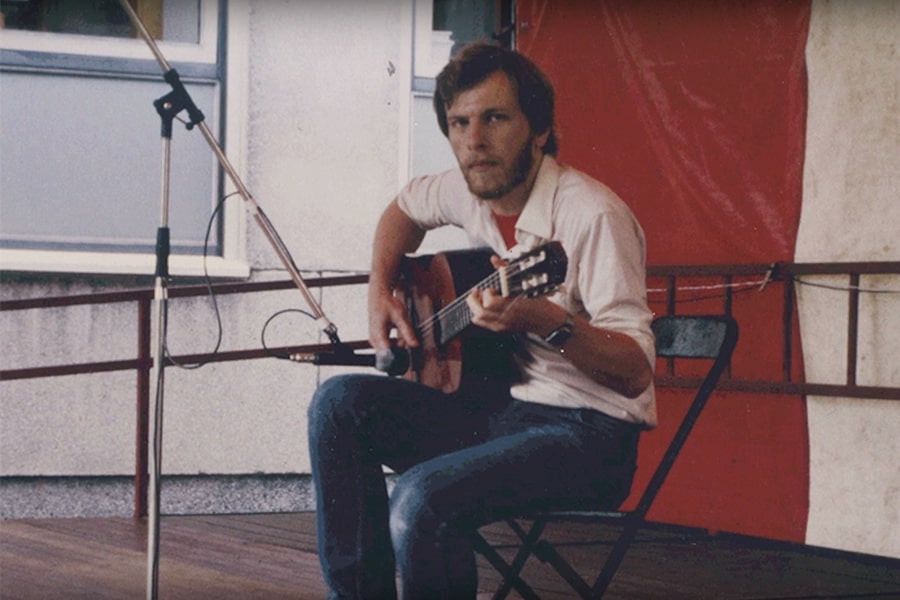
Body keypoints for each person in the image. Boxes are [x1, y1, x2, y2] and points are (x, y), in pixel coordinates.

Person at [307, 41, 656, 599]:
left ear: (538, 130)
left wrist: (547, 322)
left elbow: (636, 372)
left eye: (495, 117)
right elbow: (401, 211)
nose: (474, 140)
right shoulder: (473, 185)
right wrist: (380, 292)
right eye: (459, 122)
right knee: (338, 405)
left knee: (421, 499)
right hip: (502, 413)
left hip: (589, 433)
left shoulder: (593, 216)